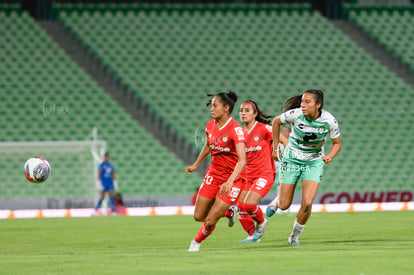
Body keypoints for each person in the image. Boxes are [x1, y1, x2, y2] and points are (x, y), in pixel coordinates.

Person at [266, 89, 341, 246]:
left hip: (314, 161)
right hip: (292, 158)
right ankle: (277, 201)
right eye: (302, 101)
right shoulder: (295, 114)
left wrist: (329, 156)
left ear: (318, 105)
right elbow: (275, 122)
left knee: (307, 203)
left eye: (307, 102)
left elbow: (337, 143)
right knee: (285, 204)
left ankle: (294, 236)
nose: (303, 105)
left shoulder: (329, 121)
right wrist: (275, 147)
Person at [186, 91, 246, 252]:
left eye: (215, 105)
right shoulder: (210, 125)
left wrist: (230, 181)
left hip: (231, 180)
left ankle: (196, 242)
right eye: (211, 105)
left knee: (211, 219)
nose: (211, 109)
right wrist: (196, 164)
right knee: (198, 216)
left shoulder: (236, 130)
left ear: (226, 108)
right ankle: (229, 212)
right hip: (213, 175)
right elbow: (208, 145)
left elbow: (243, 160)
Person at [237, 100, 288, 243]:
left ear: (255, 114)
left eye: (247, 110)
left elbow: (285, 141)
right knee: (241, 207)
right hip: (247, 176)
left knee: (249, 205)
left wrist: (285, 156)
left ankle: (261, 223)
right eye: (241, 110)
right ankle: (253, 235)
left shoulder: (264, 128)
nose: (243, 113)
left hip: (264, 174)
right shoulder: (239, 133)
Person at [266, 126, 291, 216]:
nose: (284, 132)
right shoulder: (279, 143)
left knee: (286, 187)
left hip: (287, 167)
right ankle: (280, 206)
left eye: (286, 131)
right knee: (280, 186)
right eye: (283, 131)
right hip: (278, 167)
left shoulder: (291, 142)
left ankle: (284, 207)